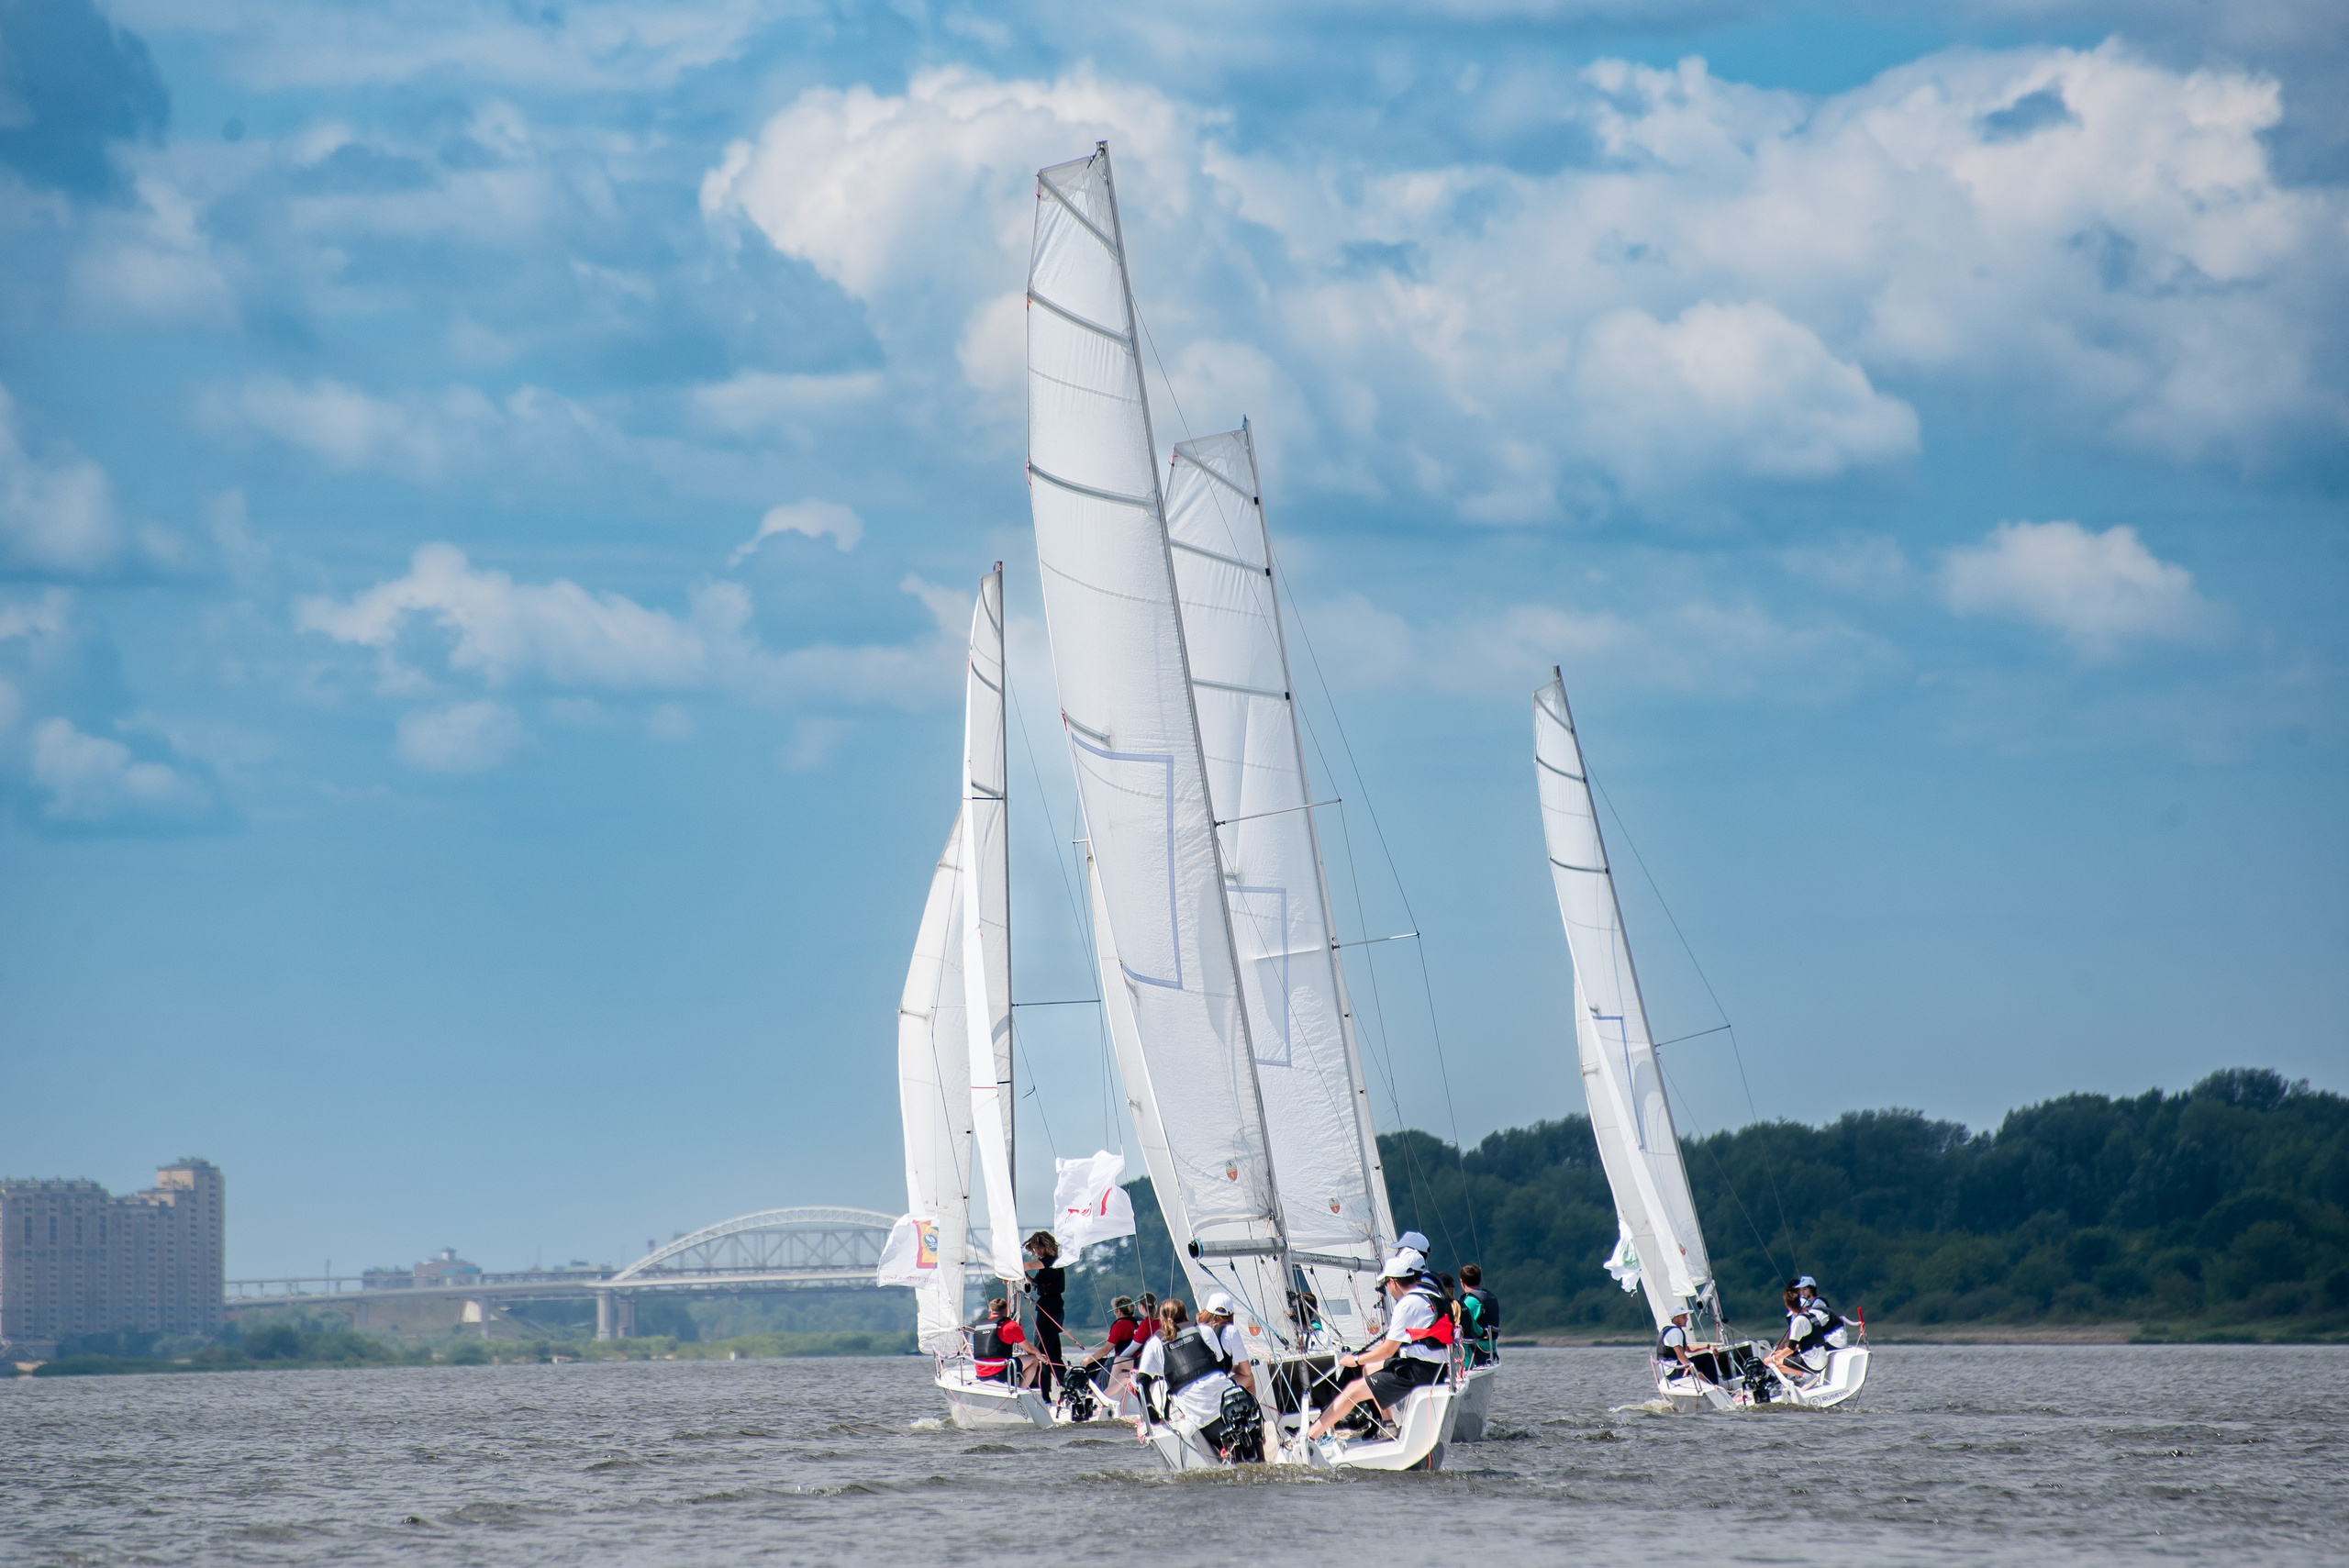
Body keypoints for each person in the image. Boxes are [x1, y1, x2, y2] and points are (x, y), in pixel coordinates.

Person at [1303, 1257, 1453, 1445]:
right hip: (1437, 1366)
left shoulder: (1406, 1305)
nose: (1387, 1290)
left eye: (1386, 1284)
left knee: (1352, 1391)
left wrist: (1355, 1360)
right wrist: (1364, 1362)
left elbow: (1388, 1351)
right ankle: (1388, 1424)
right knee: (1369, 1369)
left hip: (1420, 1370)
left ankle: (1308, 1438)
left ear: (1393, 1282)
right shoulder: (1429, 1295)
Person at [1135, 1298, 1262, 1463]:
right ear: (1186, 1314)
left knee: (1233, 1450)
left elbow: (1141, 1384)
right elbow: (1222, 1366)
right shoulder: (1204, 1330)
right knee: (1251, 1445)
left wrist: (1153, 1418)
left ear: (1161, 1319)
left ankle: (1224, 1451)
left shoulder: (1155, 1344)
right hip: (1231, 1400)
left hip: (1202, 1414)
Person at [1021, 1231, 1067, 1399]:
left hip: (1050, 1308)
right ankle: (1066, 1386)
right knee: (1053, 1353)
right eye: (1035, 1248)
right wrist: (1025, 1278)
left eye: (1039, 1247)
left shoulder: (1051, 1261)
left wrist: (1011, 1265)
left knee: (1041, 1352)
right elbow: (1037, 1282)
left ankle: (1045, 1394)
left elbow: (1028, 1265)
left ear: (1047, 1246)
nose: (1037, 1251)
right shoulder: (1047, 1264)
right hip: (1051, 1307)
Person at [971, 1296, 1025, 1384]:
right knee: (1033, 1359)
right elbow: (1027, 1347)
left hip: (981, 1373)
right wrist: (1039, 1355)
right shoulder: (1010, 1325)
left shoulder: (979, 1326)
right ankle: (1022, 1390)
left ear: (990, 1312)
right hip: (1001, 1371)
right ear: (1006, 1311)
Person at [1457, 1264, 1500, 1366]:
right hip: (1491, 1347)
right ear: (1480, 1280)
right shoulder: (1489, 1296)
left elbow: (1468, 1325)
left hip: (1477, 1348)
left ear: (1462, 1282)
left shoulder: (1470, 1301)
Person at [1653, 1309, 1702, 1381]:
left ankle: (1702, 1380)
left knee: (1700, 1358)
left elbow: (1688, 1349)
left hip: (1666, 1370)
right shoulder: (1676, 1332)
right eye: (1684, 1317)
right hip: (1673, 1371)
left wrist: (1708, 1347)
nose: (1687, 1319)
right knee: (1707, 1357)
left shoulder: (1668, 1329)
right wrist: (1694, 1371)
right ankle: (1713, 1385)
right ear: (1675, 1318)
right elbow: (1680, 1356)